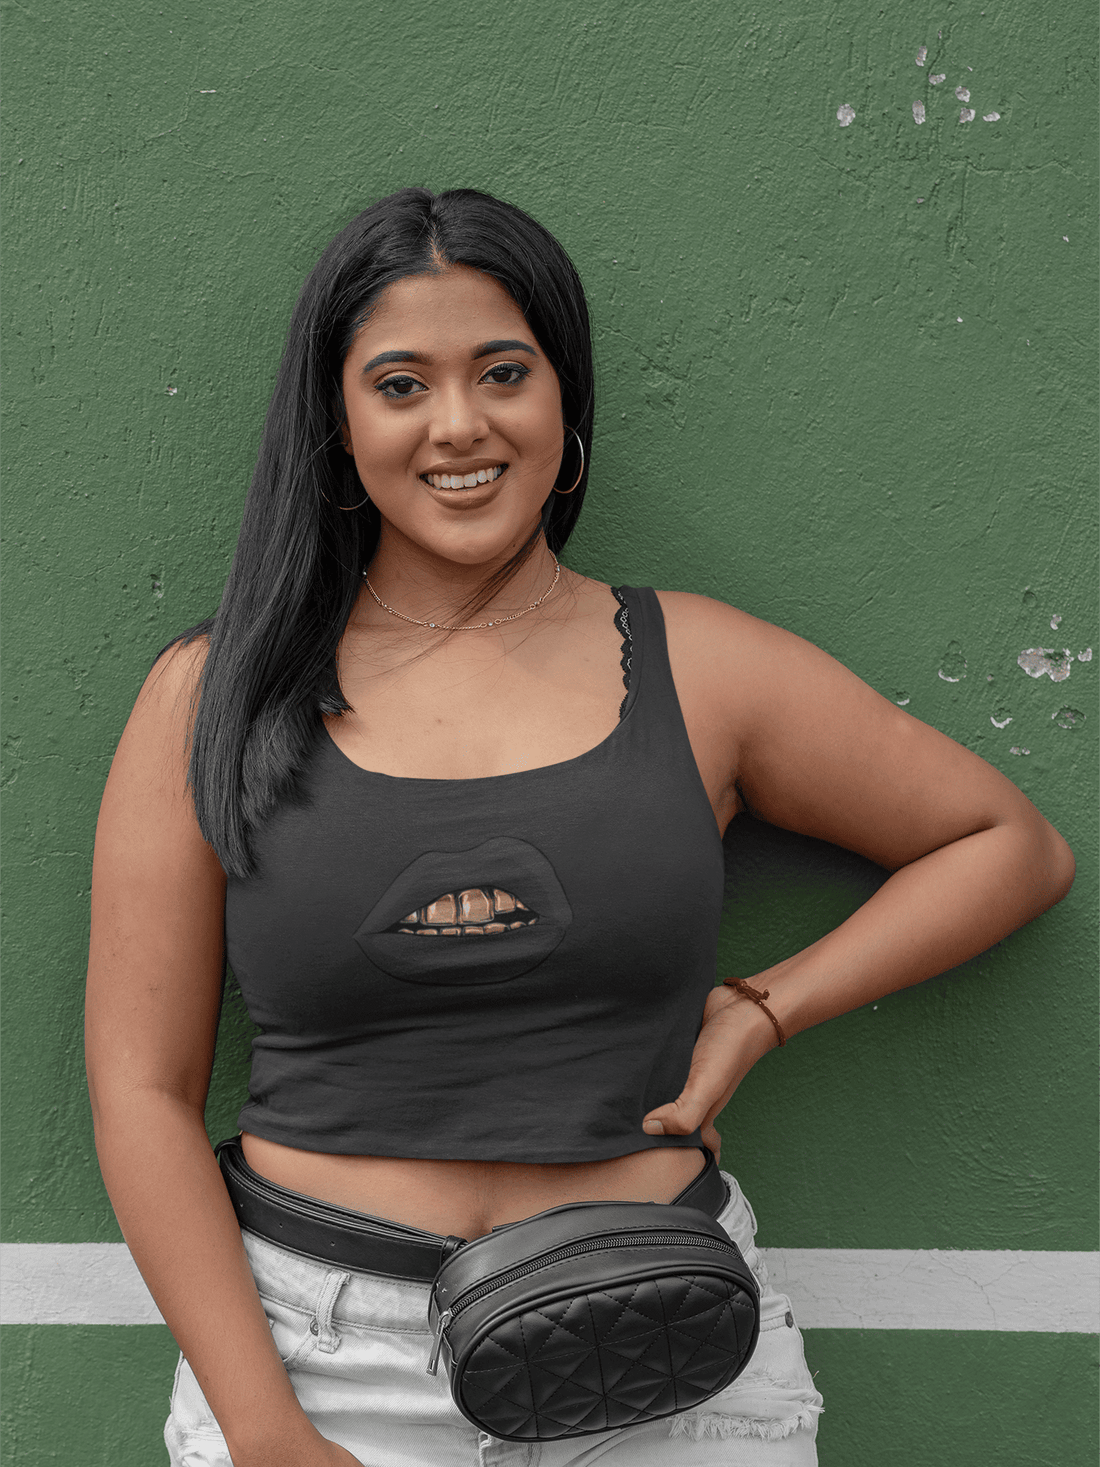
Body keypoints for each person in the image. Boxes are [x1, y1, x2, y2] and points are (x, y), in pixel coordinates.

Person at [85, 188, 1075, 1467]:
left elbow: (1007, 845)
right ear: (337, 422)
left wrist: (761, 1009)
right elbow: (140, 1091)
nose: (461, 425)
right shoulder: (211, 698)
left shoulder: (701, 668)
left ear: (563, 396)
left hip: (677, 1368)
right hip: (326, 1363)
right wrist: (266, 1429)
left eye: (504, 372)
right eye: (399, 384)